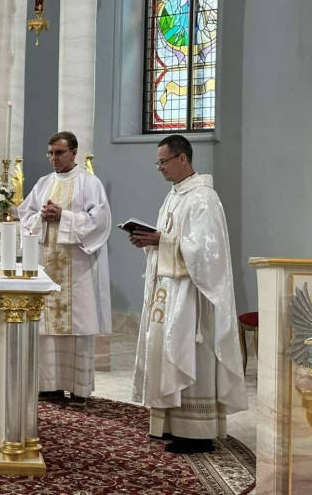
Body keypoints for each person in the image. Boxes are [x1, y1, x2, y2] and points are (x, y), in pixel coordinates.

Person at [130, 134, 247, 453]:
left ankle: (196, 433)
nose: (160, 168)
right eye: (157, 163)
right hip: (169, 291)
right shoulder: (174, 196)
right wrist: (149, 242)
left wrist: (162, 241)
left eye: (163, 162)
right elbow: (170, 240)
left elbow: (208, 253)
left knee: (187, 352)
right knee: (168, 352)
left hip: (192, 297)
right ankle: (170, 424)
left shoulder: (203, 197)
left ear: (182, 158)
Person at [17, 131, 111, 406]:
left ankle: (78, 389)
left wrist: (64, 217)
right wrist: (41, 217)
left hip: (77, 270)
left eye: (59, 153)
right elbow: (25, 216)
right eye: (50, 153)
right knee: (46, 329)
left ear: (74, 153)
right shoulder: (43, 183)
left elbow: (100, 221)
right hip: (46, 268)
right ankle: (49, 386)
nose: (54, 158)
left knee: (77, 328)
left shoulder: (89, 183)